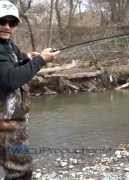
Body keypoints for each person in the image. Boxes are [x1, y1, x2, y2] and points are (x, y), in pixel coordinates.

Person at [0, 1, 59, 179]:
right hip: (5, 125)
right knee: (21, 171)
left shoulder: (8, 45)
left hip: (13, 120)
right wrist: (40, 60)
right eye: (2, 21)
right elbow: (10, 79)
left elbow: (14, 63)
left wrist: (28, 57)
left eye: (12, 22)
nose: (7, 26)